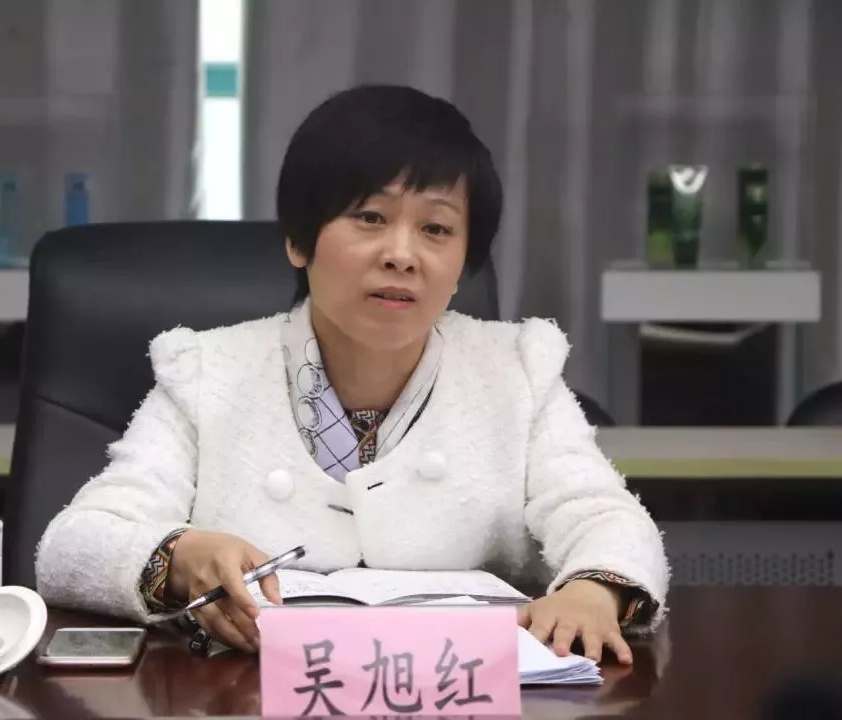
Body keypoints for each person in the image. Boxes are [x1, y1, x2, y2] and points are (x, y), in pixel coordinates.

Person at [35, 84, 669, 664]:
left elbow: (606, 516)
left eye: (437, 228)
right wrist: (180, 556)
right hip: (253, 693)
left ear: (463, 263)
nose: (402, 255)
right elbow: (74, 544)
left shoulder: (517, 371)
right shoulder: (206, 373)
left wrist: (594, 590)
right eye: (370, 218)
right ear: (299, 240)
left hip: (461, 690)